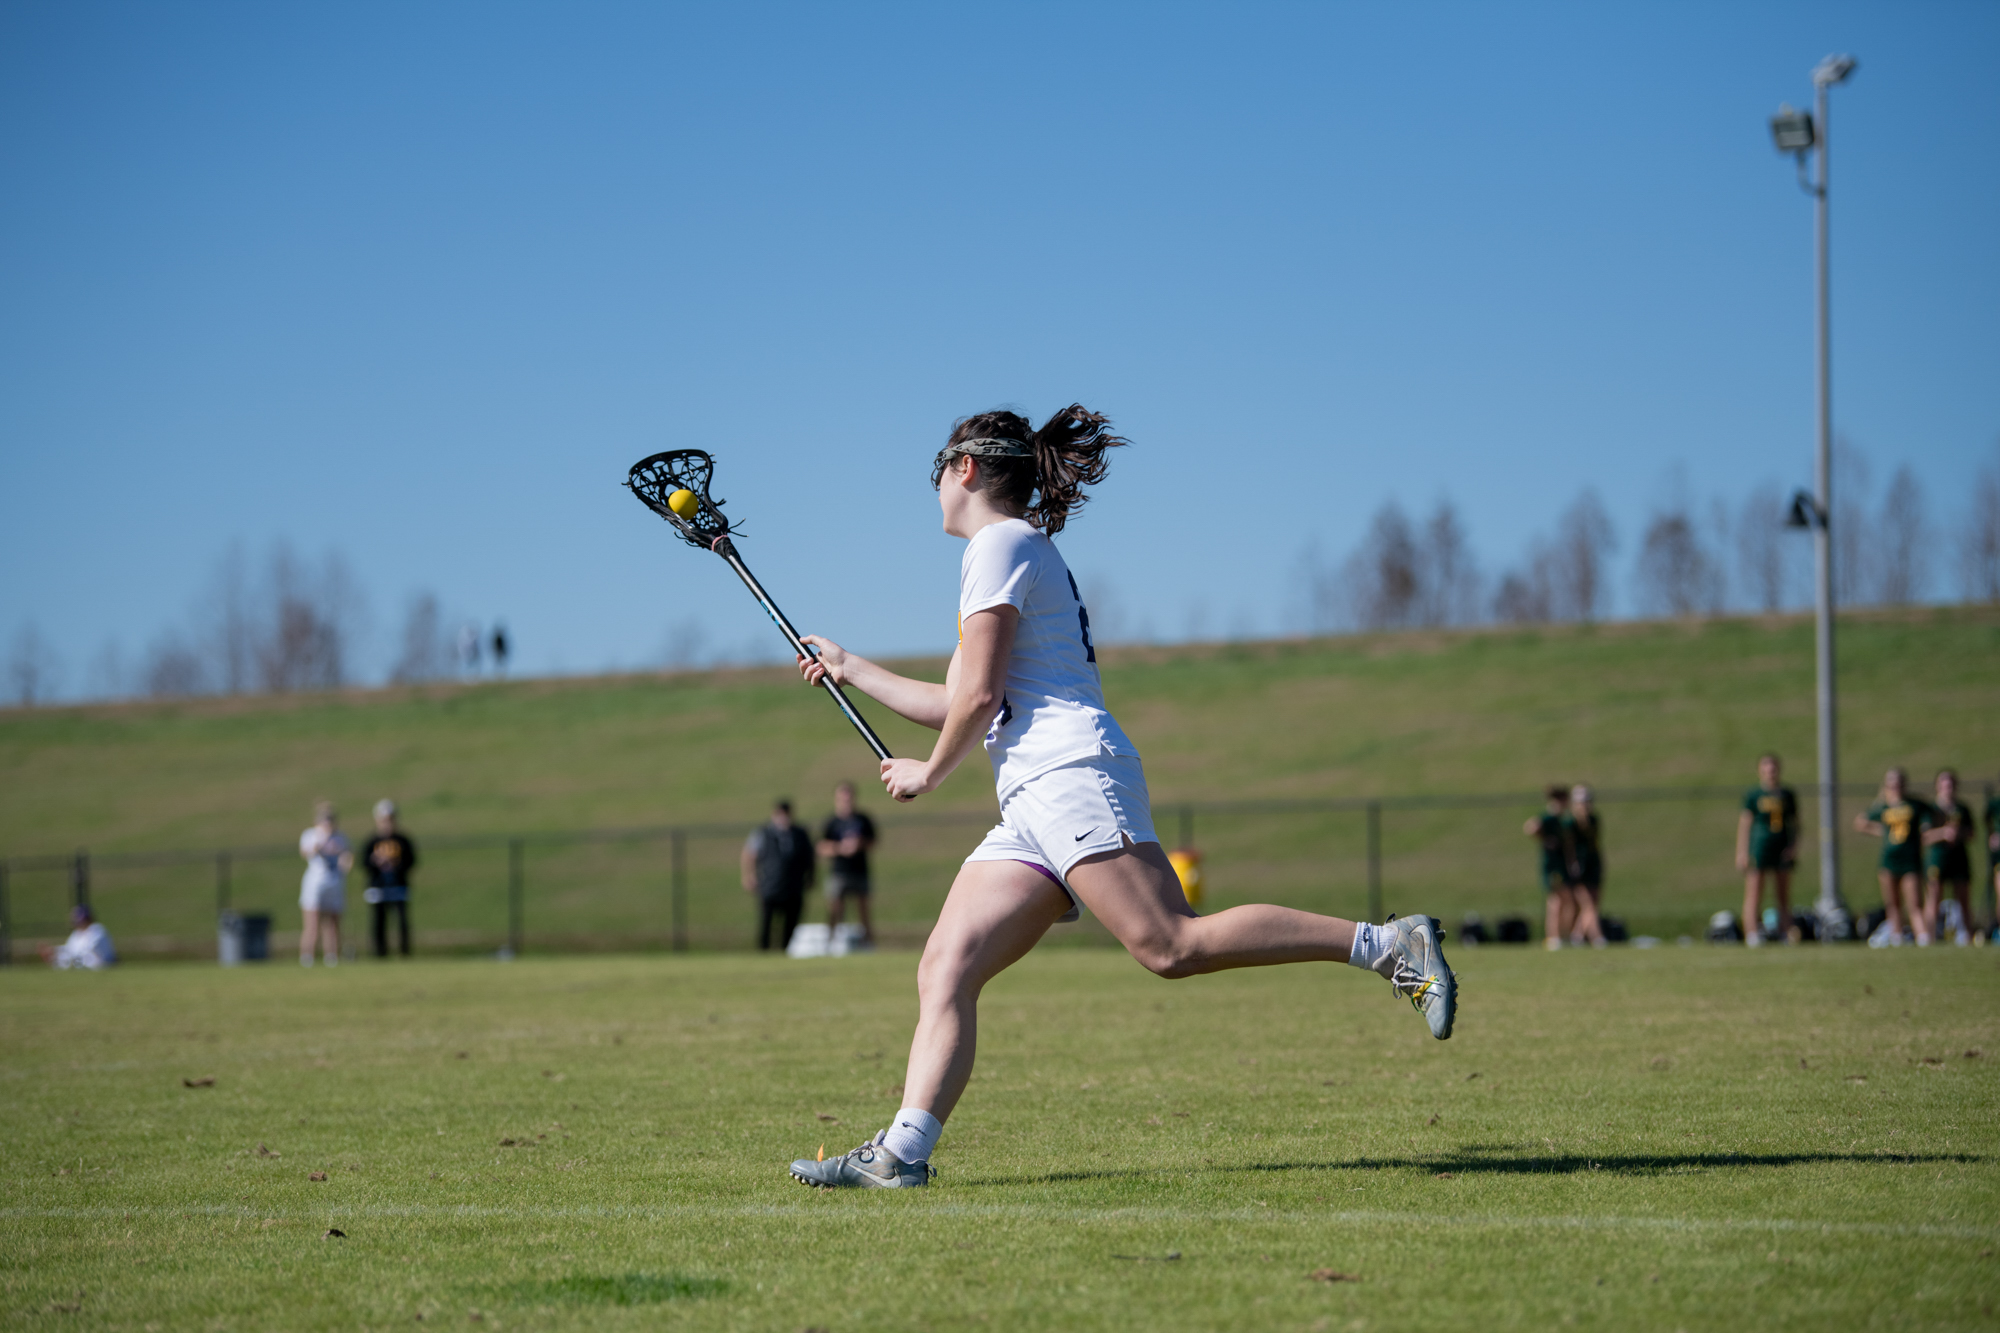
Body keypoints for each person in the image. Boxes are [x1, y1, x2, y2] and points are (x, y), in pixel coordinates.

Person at [784, 406, 1455, 1190]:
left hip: (1068, 775)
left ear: (965, 467)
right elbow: (964, 693)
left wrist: (928, 774)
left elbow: (979, 699)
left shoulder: (1000, 544)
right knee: (946, 965)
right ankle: (901, 1155)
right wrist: (849, 665)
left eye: (937, 466)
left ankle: (1388, 946)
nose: (933, 484)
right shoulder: (1009, 551)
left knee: (1170, 944)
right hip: (1032, 799)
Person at [1854, 768, 1929, 947]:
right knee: (1892, 904)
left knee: (1914, 904)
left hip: (1910, 859)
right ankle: (1896, 938)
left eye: (1898, 783)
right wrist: (1883, 831)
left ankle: (1923, 938)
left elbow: (1933, 818)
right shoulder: (1883, 806)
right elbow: (1860, 822)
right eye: (1891, 784)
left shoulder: (1914, 805)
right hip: (1889, 860)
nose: (1895, 787)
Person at [1735, 754, 1800, 947]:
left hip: (1781, 847)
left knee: (1783, 894)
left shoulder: (1786, 794)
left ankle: (1784, 932)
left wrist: (1793, 846)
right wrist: (1742, 851)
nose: (1770, 773)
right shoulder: (1754, 795)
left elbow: (1795, 824)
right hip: (1760, 848)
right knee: (1755, 892)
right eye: (1766, 769)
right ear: (1760, 771)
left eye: (1773, 769)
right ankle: (1752, 933)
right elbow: (1745, 823)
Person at [741, 800, 815, 951]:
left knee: (791, 925)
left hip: (793, 887)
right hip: (770, 886)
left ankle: (784, 951)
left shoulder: (800, 834)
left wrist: (811, 876)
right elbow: (749, 854)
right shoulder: (763, 833)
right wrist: (749, 875)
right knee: (766, 925)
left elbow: (810, 857)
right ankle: (764, 953)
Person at [818, 781, 878, 947]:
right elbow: (822, 847)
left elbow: (873, 842)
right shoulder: (832, 822)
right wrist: (840, 848)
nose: (846, 801)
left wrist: (859, 844)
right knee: (835, 908)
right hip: (839, 871)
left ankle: (869, 943)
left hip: (860, 870)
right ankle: (829, 943)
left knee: (863, 909)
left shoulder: (862, 819)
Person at [1920, 769, 1975, 947]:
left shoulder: (1962, 809)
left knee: (1963, 898)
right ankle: (1929, 937)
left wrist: (1959, 834)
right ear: (1938, 786)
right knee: (1934, 897)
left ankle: (1967, 935)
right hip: (1938, 858)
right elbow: (1925, 836)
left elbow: (1972, 833)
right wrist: (1943, 833)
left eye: (1950, 784)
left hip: (1959, 858)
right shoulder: (1931, 810)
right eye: (1944, 784)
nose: (1947, 788)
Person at [360, 798, 418, 958]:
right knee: (379, 921)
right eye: (384, 819)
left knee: (401, 920)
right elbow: (364, 863)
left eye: (390, 819)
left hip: (398, 886)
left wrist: (396, 863)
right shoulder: (372, 841)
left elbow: (411, 861)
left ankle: (404, 952)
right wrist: (375, 861)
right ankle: (380, 953)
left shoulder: (403, 840)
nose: (387, 823)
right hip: (378, 886)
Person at [298, 802, 352, 966]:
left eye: (330, 819)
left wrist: (345, 866)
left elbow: (347, 856)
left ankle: (332, 957)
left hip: (334, 883)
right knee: (312, 925)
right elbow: (305, 852)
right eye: (324, 819)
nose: (327, 822)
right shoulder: (311, 835)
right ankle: (307, 957)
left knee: (333, 924)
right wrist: (320, 843)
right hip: (315, 884)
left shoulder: (340, 837)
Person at [1524, 785, 1575, 950]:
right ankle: (1554, 937)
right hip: (1553, 867)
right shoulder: (1550, 818)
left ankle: (1561, 936)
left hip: (1561, 865)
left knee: (1564, 901)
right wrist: (1545, 839)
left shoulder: (1562, 820)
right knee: (1556, 901)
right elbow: (1530, 827)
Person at [1563, 784, 1608, 947]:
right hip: (1578, 866)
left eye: (1588, 801)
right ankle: (1597, 937)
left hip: (1593, 863)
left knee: (1594, 902)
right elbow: (1568, 847)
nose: (1585, 804)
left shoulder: (1594, 820)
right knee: (1587, 903)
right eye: (1582, 801)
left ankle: (1577, 935)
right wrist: (1571, 865)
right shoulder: (1570, 823)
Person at [39, 904, 115, 969]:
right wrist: (54, 950)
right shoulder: (77, 933)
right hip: (83, 963)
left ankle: (55, 961)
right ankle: (54, 960)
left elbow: (85, 952)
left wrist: (59, 956)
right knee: (65, 960)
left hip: (100, 964)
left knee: (73, 960)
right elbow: (70, 948)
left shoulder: (97, 930)